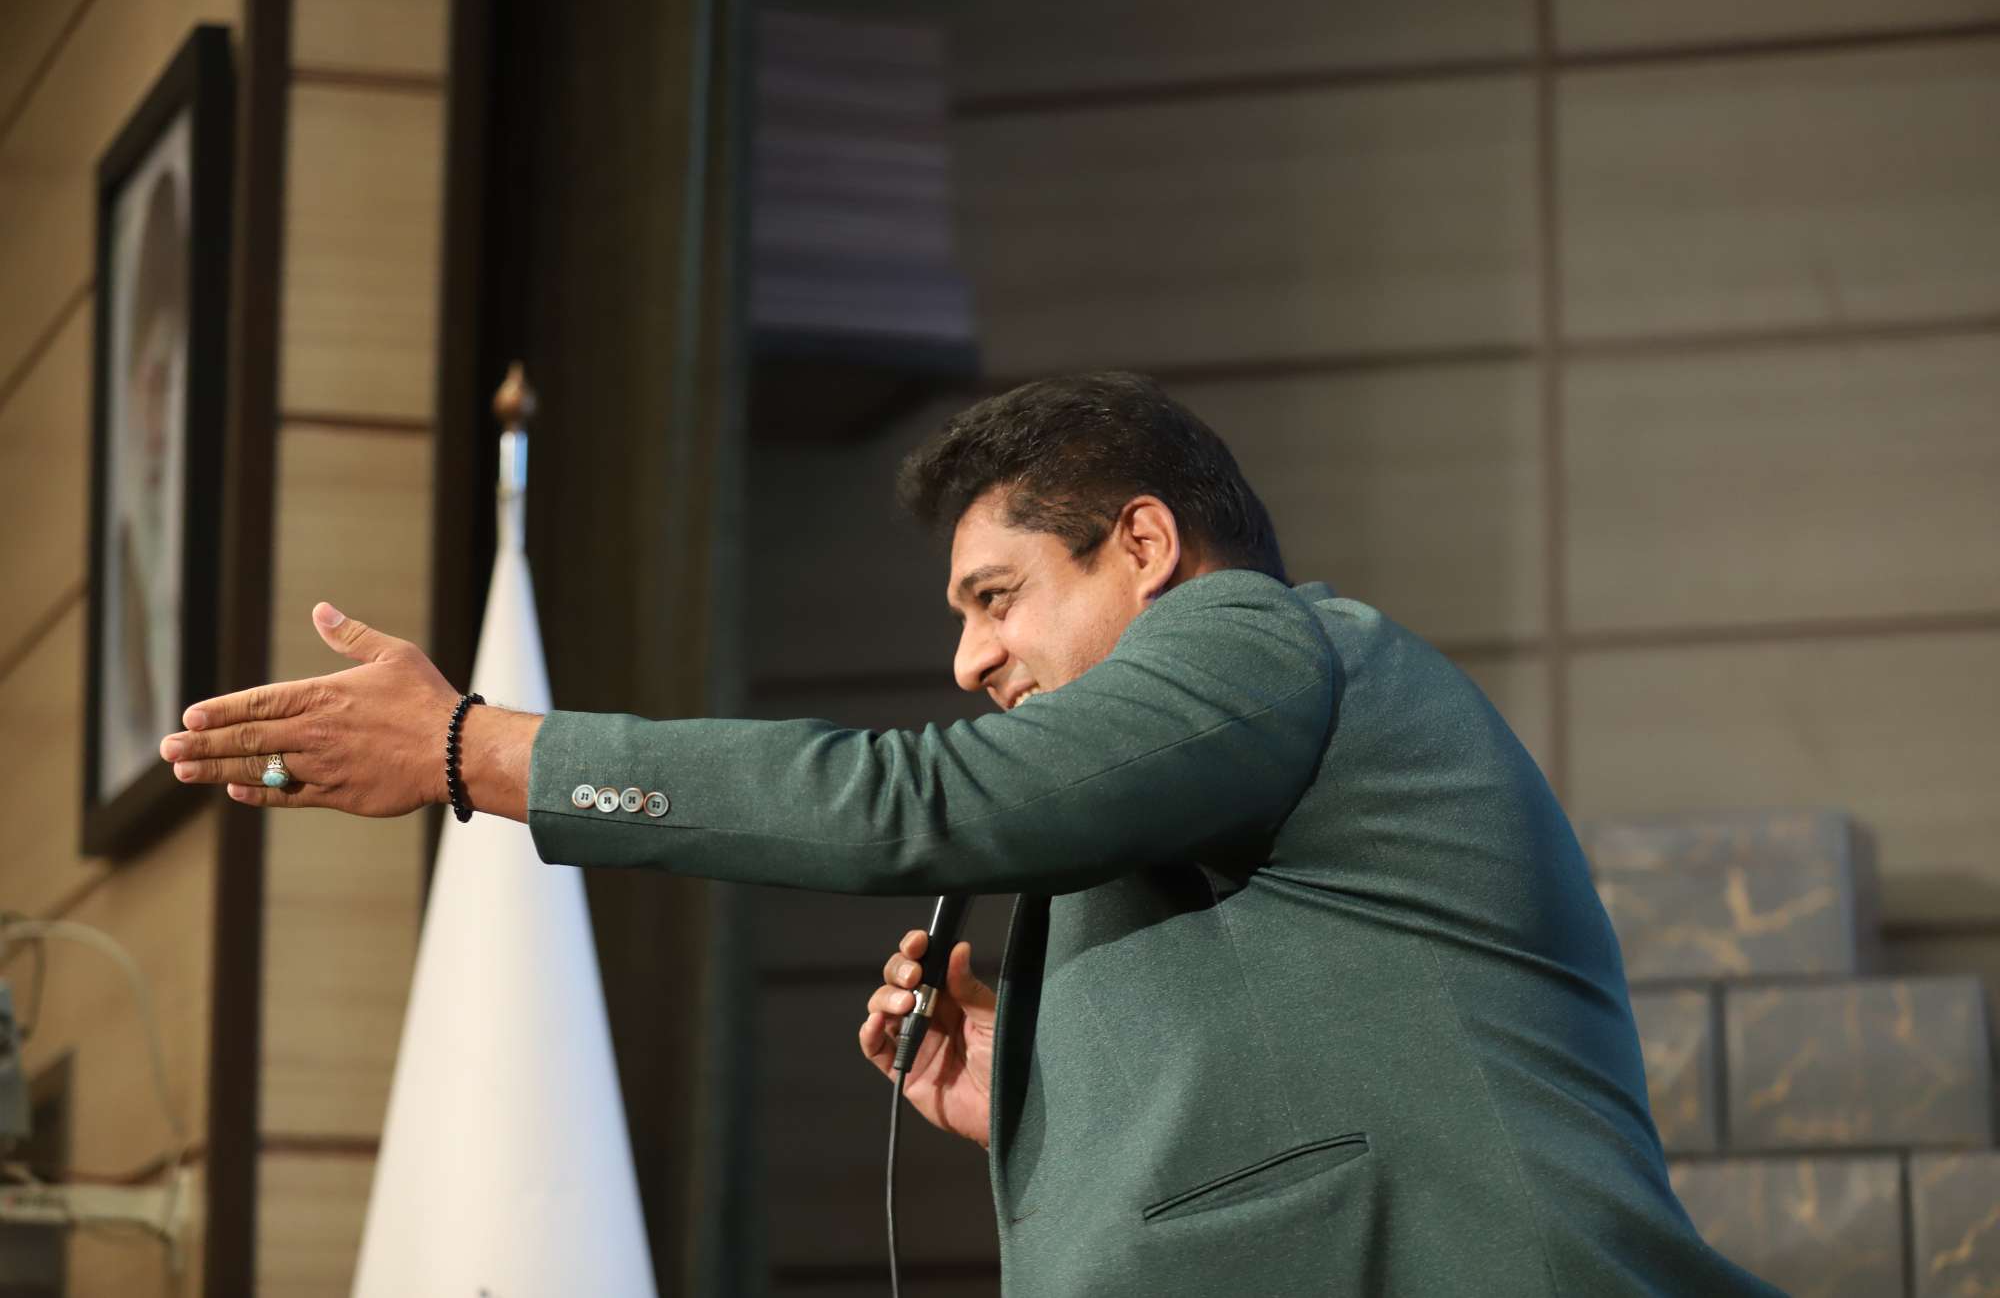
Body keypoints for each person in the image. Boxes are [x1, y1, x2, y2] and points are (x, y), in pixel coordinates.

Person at [160, 373, 1779, 1295]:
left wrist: (479, 749)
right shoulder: (1199, 776)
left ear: (1145, 544)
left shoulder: (1260, 640)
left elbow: (916, 802)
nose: (967, 659)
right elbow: (1312, 1059)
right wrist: (1031, 1090)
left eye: (996, 597)